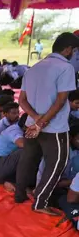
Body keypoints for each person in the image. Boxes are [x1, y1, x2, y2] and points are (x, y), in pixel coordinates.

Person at [15, 32, 79, 215]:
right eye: (76, 52)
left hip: (32, 124)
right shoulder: (65, 68)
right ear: (68, 50)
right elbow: (61, 101)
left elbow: (22, 101)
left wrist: (36, 120)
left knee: (28, 159)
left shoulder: (34, 68)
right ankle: (40, 202)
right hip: (54, 128)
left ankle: (19, 195)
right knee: (57, 163)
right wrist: (42, 123)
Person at [0, 115, 28, 192]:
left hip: (0, 169)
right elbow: (21, 144)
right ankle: (19, 184)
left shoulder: (19, 130)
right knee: (25, 151)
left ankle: (10, 181)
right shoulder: (14, 130)